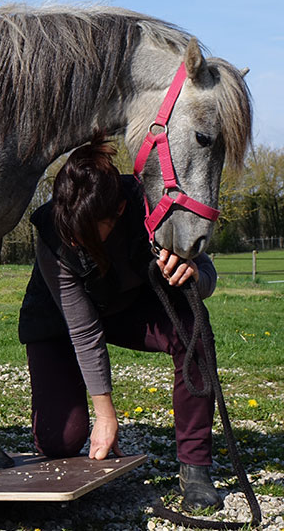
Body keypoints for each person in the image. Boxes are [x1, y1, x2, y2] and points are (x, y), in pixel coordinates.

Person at [18, 135, 222, 511]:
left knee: (194, 329)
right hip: (58, 320)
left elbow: (208, 272)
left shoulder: (153, 202)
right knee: (61, 440)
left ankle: (195, 466)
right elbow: (83, 330)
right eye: (68, 227)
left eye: (87, 230)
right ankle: (63, 417)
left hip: (127, 307)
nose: (74, 240)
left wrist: (193, 273)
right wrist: (105, 415)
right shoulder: (52, 231)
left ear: (120, 210)